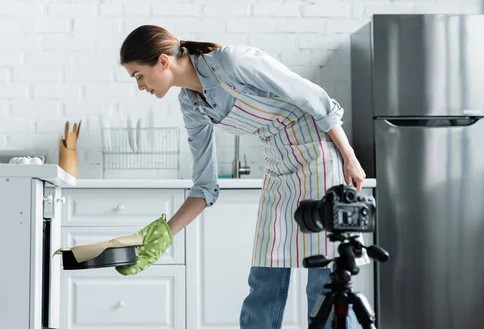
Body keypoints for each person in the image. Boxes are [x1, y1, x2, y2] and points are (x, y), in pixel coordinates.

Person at [117, 24, 368, 329]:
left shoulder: (230, 62)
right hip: (279, 167)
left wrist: (349, 157)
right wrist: (164, 234)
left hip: (320, 158)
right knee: (264, 278)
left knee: (325, 281)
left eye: (138, 76)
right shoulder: (190, 104)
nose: (140, 86)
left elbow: (313, 97)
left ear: (162, 61)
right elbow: (205, 187)